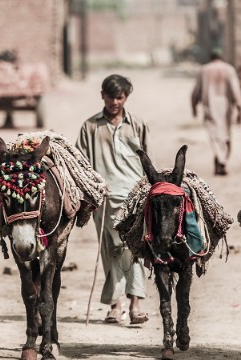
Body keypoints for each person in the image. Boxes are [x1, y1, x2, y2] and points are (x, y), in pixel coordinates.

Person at [75, 74, 150, 325]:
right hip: (105, 199)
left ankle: (136, 304)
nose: (114, 101)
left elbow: (146, 160)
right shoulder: (90, 127)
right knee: (112, 251)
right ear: (102, 96)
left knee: (134, 249)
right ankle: (115, 307)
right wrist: (92, 192)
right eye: (110, 96)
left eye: (120, 97)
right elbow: (80, 164)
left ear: (126, 97)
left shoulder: (137, 124)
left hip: (134, 197)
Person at [191, 49, 241, 176]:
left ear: (211, 57)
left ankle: (221, 160)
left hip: (209, 105)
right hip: (226, 107)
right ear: (221, 57)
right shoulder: (229, 69)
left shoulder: (203, 70)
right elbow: (236, 90)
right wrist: (240, 108)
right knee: (226, 135)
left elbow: (196, 91)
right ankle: (223, 159)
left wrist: (193, 106)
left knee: (214, 135)